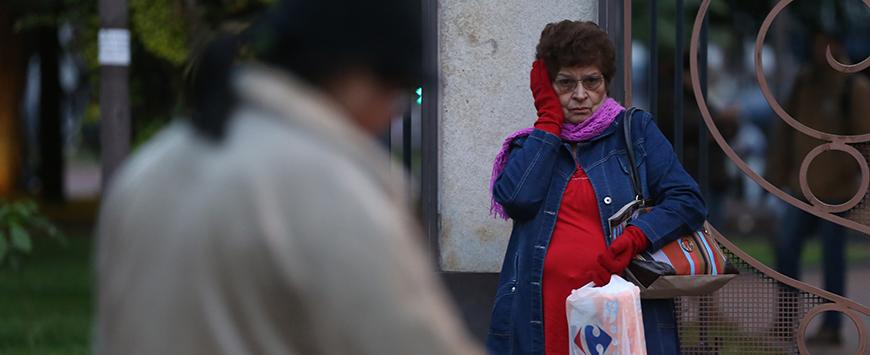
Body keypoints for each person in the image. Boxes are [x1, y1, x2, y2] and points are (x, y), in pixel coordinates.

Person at [93, 1, 482, 354]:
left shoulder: (151, 167)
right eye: (397, 92)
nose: (393, 113)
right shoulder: (333, 191)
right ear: (356, 80)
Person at [486, 20, 706, 355]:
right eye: (565, 83)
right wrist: (548, 121)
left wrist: (637, 236)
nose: (579, 95)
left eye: (592, 81)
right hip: (542, 315)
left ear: (606, 81)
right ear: (545, 86)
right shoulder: (531, 146)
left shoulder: (635, 132)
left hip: (619, 311)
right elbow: (517, 199)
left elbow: (688, 200)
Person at [766, 28, 870, 345]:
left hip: (836, 191)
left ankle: (832, 326)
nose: (818, 48)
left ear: (837, 45)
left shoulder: (854, 87)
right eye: (815, 41)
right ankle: (786, 319)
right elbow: (786, 130)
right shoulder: (804, 82)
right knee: (785, 248)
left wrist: (851, 178)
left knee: (832, 258)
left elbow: (864, 139)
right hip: (800, 188)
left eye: (825, 42)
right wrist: (777, 174)